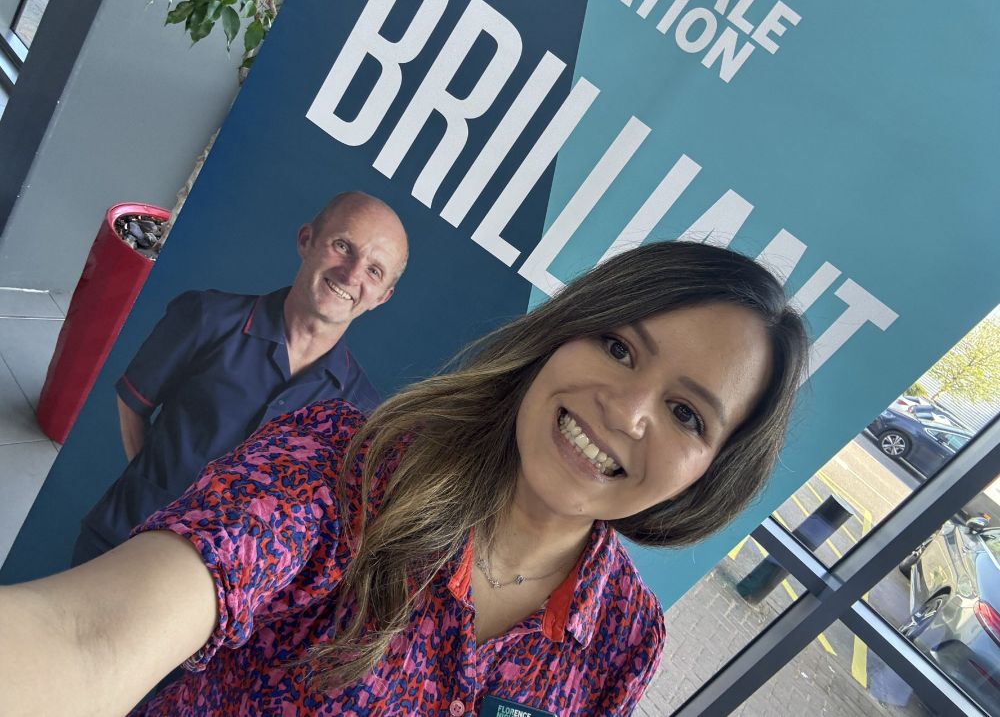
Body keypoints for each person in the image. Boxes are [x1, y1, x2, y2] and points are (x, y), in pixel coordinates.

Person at [0, 240, 808, 716]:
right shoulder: (341, 468)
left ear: (712, 474)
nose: (628, 411)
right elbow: (92, 636)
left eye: (687, 415)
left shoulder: (625, 640)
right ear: (563, 337)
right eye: (621, 349)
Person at [72, 191, 410, 566]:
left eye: (374, 270)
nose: (351, 274)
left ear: (383, 297)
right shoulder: (206, 316)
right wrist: (156, 490)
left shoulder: (361, 413)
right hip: (120, 540)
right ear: (306, 240)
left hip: (218, 601)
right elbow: (133, 402)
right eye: (343, 246)